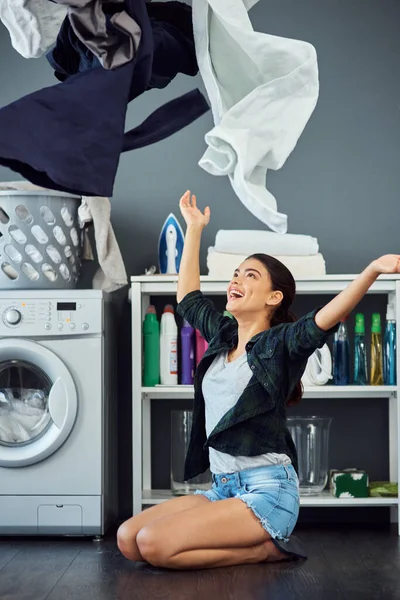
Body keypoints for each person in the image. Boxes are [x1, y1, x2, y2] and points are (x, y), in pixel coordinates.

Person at [117, 190, 400, 570]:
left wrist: (371, 271)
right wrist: (195, 228)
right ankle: (257, 547)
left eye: (251, 275)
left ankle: (267, 549)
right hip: (222, 489)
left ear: (273, 297)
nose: (237, 279)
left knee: (154, 545)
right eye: (236, 273)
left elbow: (325, 319)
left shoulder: (281, 345)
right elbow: (187, 297)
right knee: (128, 540)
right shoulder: (223, 334)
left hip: (267, 491)